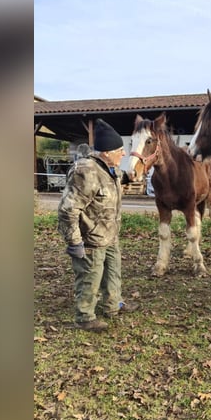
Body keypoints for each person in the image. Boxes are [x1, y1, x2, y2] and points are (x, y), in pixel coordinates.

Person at [57, 118, 140, 332]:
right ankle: (85, 316)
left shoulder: (109, 168)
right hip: (91, 239)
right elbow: (68, 210)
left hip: (110, 234)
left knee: (113, 272)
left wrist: (130, 176)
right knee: (90, 277)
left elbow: (115, 180)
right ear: (106, 152)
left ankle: (113, 305)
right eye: (119, 150)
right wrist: (75, 242)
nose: (123, 154)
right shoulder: (86, 172)